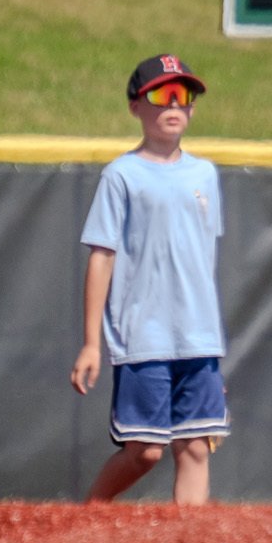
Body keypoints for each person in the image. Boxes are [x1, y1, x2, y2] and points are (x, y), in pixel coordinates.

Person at [70, 54, 230, 505]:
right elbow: (102, 257)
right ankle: (90, 514)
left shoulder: (204, 174)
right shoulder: (121, 175)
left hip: (198, 338)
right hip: (143, 336)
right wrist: (91, 343)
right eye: (162, 94)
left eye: (185, 94)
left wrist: (212, 341)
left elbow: (203, 260)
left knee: (196, 447)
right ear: (135, 106)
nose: (174, 104)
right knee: (144, 451)